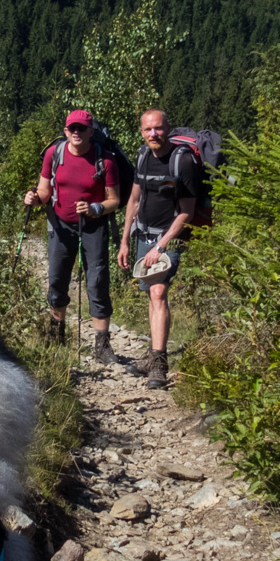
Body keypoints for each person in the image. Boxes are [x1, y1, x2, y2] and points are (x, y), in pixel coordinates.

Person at [23, 109, 122, 363]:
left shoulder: (106, 161)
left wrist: (95, 208)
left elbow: (114, 200)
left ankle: (102, 345)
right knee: (57, 281)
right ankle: (57, 336)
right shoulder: (54, 154)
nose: (76, 132)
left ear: (91, 131)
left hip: (93, 227)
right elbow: (45, 191)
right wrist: (34, 199)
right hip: (60, 226)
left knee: (97, 283)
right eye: (72, 128)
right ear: (65, 131)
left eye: (82, 128)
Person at [119, 108, 199, 389]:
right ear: (141, 132)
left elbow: (186, 212)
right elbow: (134, 199)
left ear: (168, 128)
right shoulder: (142, 156)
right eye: (148, 130)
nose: (153, 134)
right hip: (144, 235)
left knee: (158, 292)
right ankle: (155, 353)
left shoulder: (183, 161)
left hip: (170, 238)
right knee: (151, 297)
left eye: (158, 128)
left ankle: (159, 365)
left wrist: (161, 246)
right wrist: (125, 239)